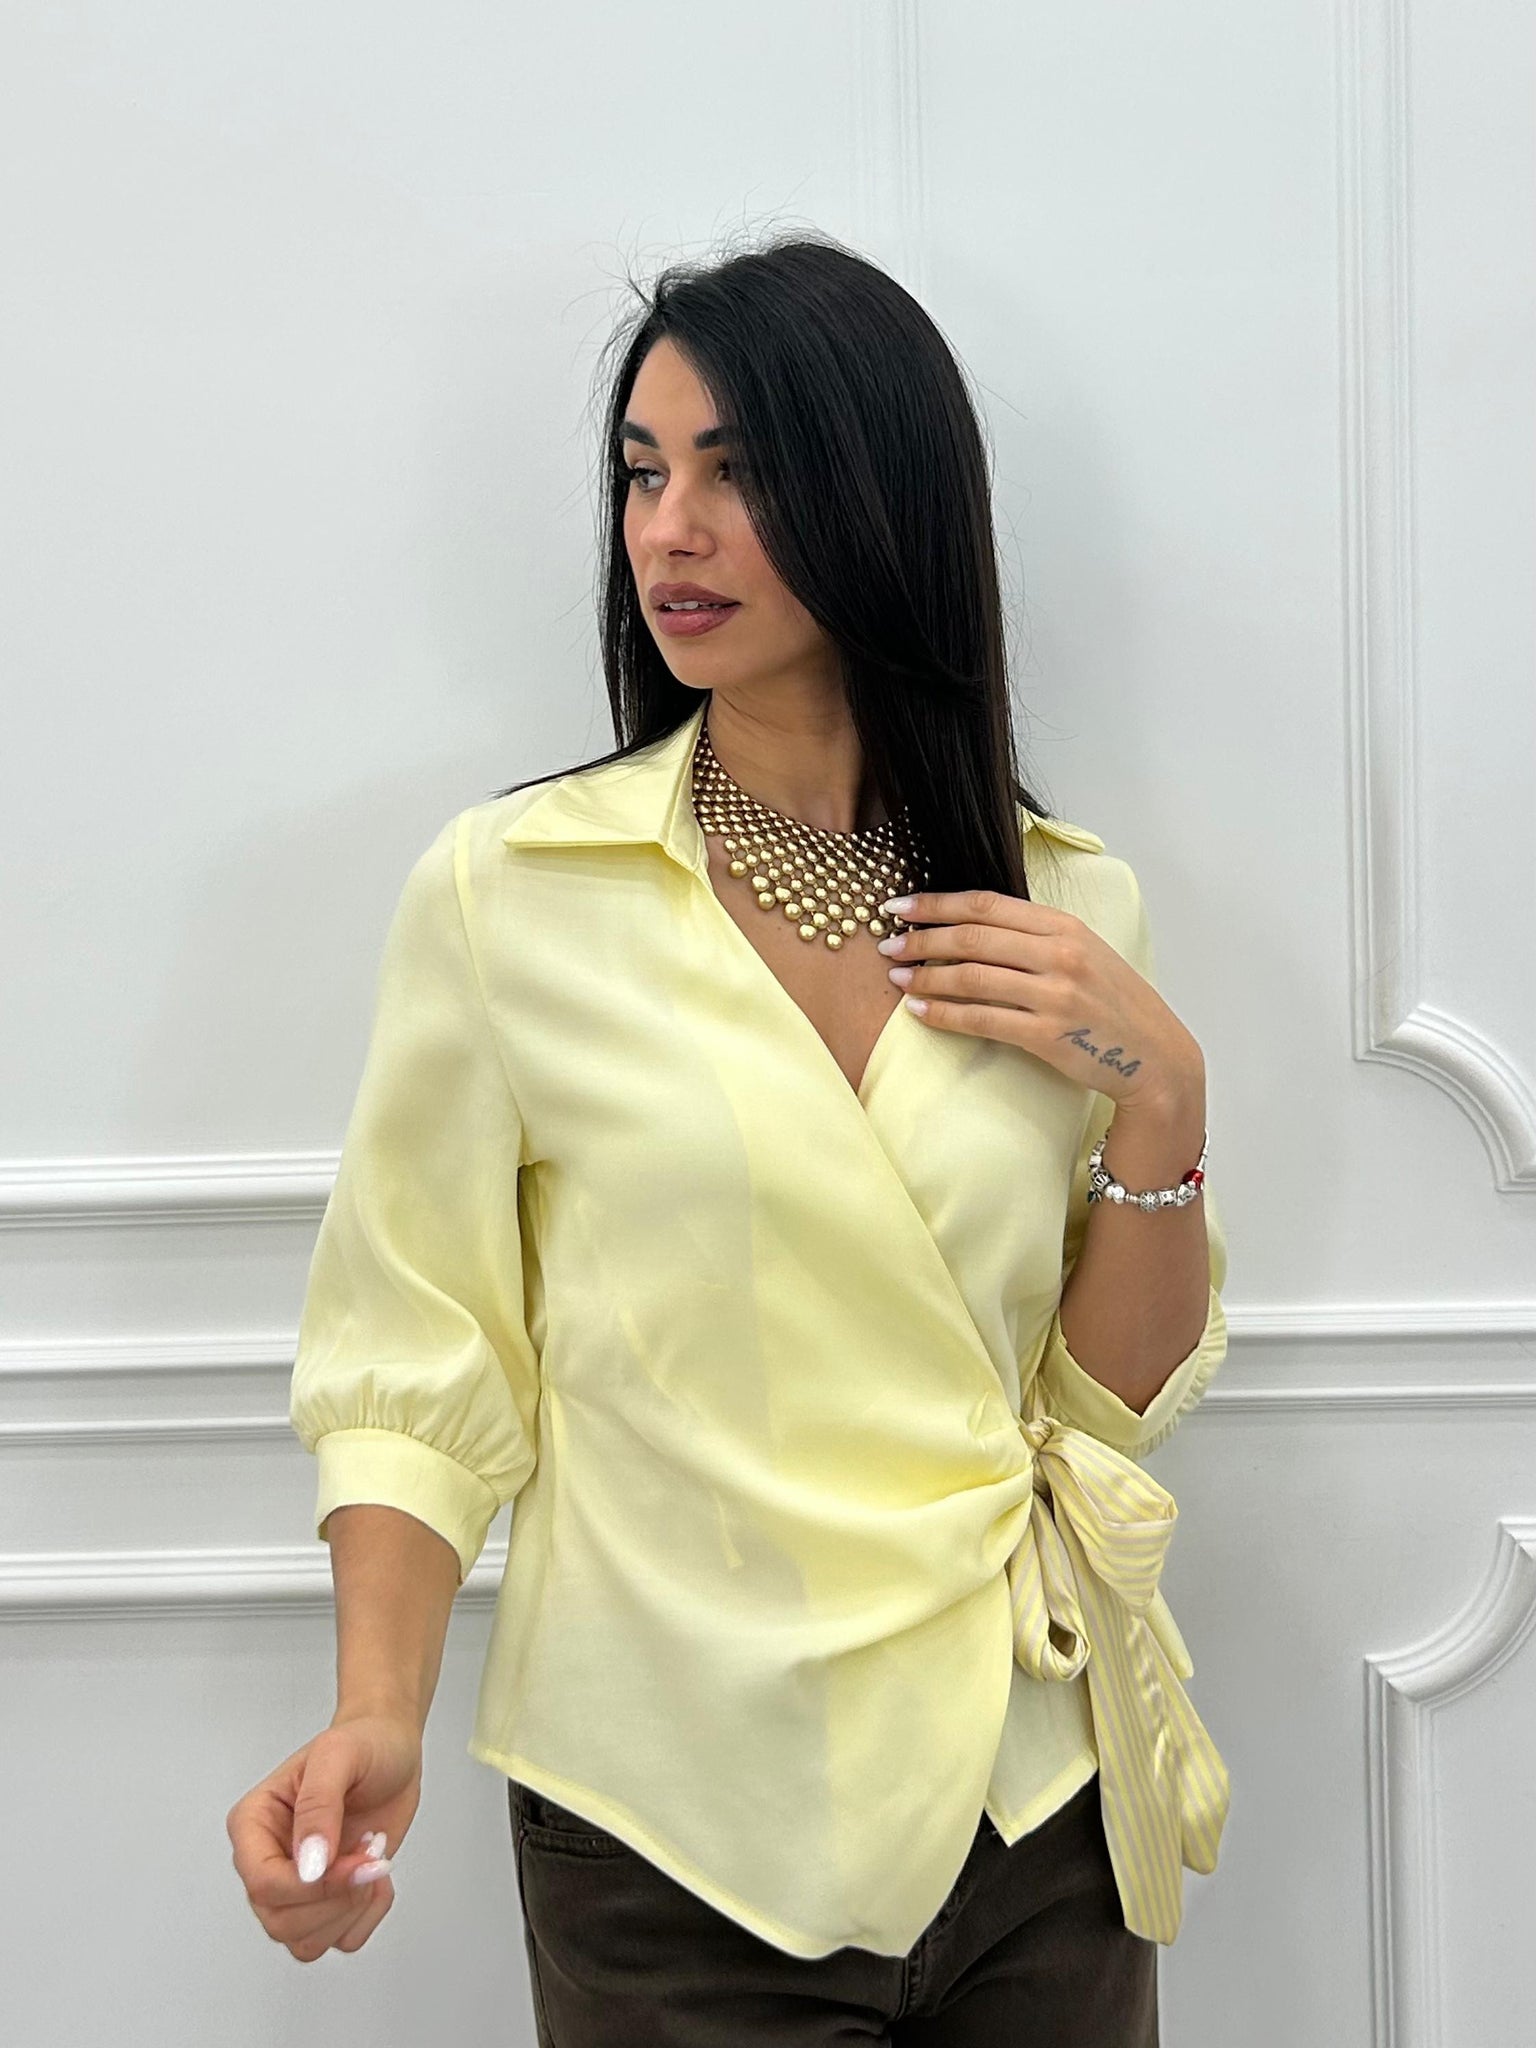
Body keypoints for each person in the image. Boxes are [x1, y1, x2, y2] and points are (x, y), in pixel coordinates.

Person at [227, 230, 1231, 2044]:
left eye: (736, 472)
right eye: (642, 473)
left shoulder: (1068, 912)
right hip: (670, 1824)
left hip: (1034, 1806)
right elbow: (415, 1354)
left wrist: (1165, 1104)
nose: (668, 532)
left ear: (882, 499)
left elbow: (1102, 1417)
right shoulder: (516, 895)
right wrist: (378, 1709)